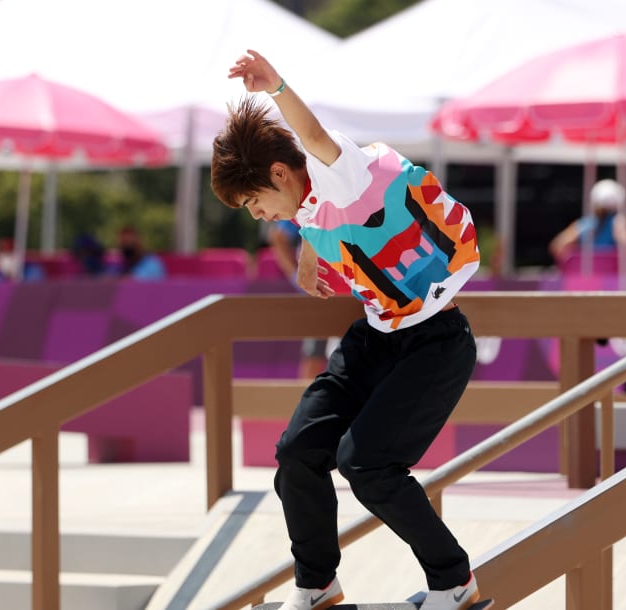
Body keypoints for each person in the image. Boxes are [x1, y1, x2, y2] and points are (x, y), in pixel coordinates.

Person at [211, 50, 482, 610]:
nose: (258, 216)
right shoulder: (310, 206)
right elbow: (319, 212)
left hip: (435, 344)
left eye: (255, 202)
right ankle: (317, 585)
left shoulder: (343, 166)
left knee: (367, 463)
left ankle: (455, 581)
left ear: (279, 174)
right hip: (374, 340)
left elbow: (310, 138)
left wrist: (276, 86)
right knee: (298, 452)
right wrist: (310, 256)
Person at [266, 218, 337, 379]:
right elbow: (277, 236)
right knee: (313, 357)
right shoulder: (305, 207)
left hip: (354, 291)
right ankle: (309, 401)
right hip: (319, 296)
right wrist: (294, 274)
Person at [548, 178, 626, 265]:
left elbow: (557, 246)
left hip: (601, 277)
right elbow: (557, 246)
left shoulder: (584, 225)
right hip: (604, 277)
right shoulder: (618, 223)